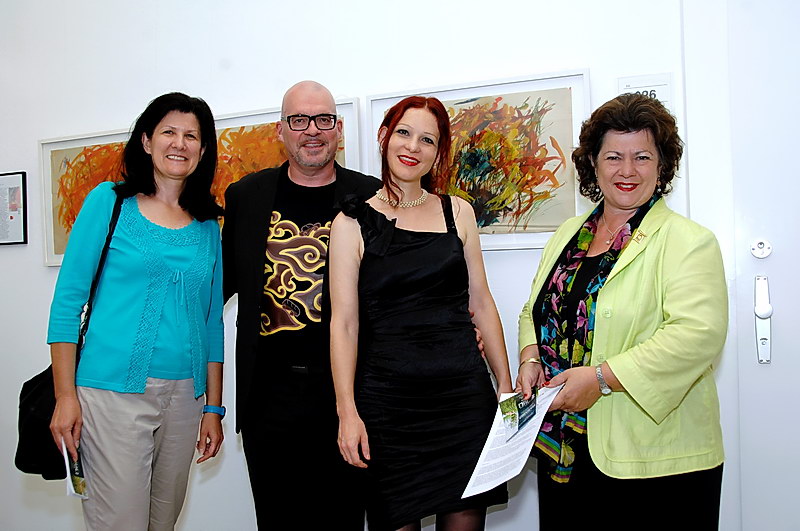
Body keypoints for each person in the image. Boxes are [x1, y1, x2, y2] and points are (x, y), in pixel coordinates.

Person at [516, 93, 728, 529]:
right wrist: (530, 357)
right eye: (613, 156)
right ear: (593, 164)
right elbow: (533, 309)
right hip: (564, 449)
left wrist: (600, 379)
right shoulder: (567, 234)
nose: (627, 170)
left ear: (662, 166)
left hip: (656, 461)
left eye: (642, 157)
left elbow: (696, 334)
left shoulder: (689, 241)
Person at [330, 96, 512, 531]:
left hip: (463, 402)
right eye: (404, 133)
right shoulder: (350, 223)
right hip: (388, 408)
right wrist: (347, 412)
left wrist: (505, 388)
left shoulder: (458, 212)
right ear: (384, 137)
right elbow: (344, 324)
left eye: (427, 140)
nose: (413, 146)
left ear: (438, 151)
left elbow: (481, 301)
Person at [48, 92, 225, 530]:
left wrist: (214, 408)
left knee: (163, 523)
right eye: (168, 132)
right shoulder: (109, 202)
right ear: (146, 141)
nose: (179, 143)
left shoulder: (207, 224)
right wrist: (65, 396)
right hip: (112, 395)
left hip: (186, 400)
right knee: (119, 523)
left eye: (191, 136)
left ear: (203, 150)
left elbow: (212, 322)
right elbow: (67, 302)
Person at [222, 80, 380, 529]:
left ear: (339, 129)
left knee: (344, 521)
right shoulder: (246, 197)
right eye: (299, 120)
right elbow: (217, 288)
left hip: (349, 397)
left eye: (323, 119)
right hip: (268, 399)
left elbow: (393, 287)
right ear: (281, 130)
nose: (312, 130)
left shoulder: (370, 196)